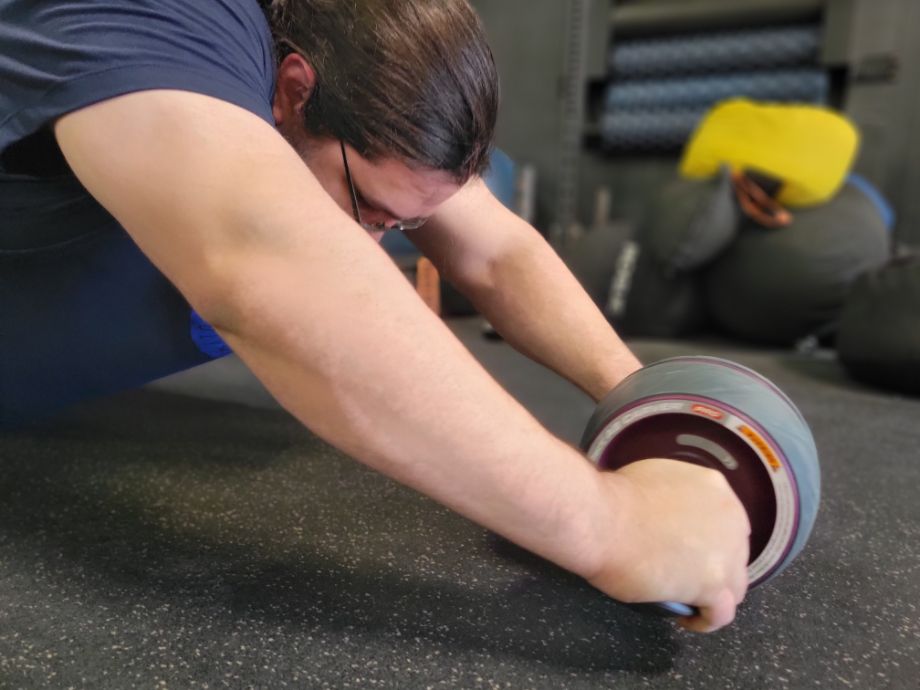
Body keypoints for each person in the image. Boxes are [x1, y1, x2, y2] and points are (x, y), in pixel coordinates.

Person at [0, 0, 750, 633]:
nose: (374, 242)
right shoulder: (152, 18)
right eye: (373, 212)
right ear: (294, 89)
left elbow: (495, 254)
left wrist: (647, 405)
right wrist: (613, 526)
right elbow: (261, 265)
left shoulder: (338, 70)